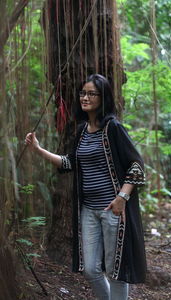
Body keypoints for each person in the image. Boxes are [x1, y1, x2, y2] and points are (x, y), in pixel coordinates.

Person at [25, 74, 146, 300]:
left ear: (103, 97)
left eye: (91, 93)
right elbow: (71, 162)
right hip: (88, 210)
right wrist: (38, 150)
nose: (85, 97)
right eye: (83, 93)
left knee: (115, 271)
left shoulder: (113, 128)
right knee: (90, 269)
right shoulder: (81, 130)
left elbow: (136, 166)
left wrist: (122, 197)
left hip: (112, 210)